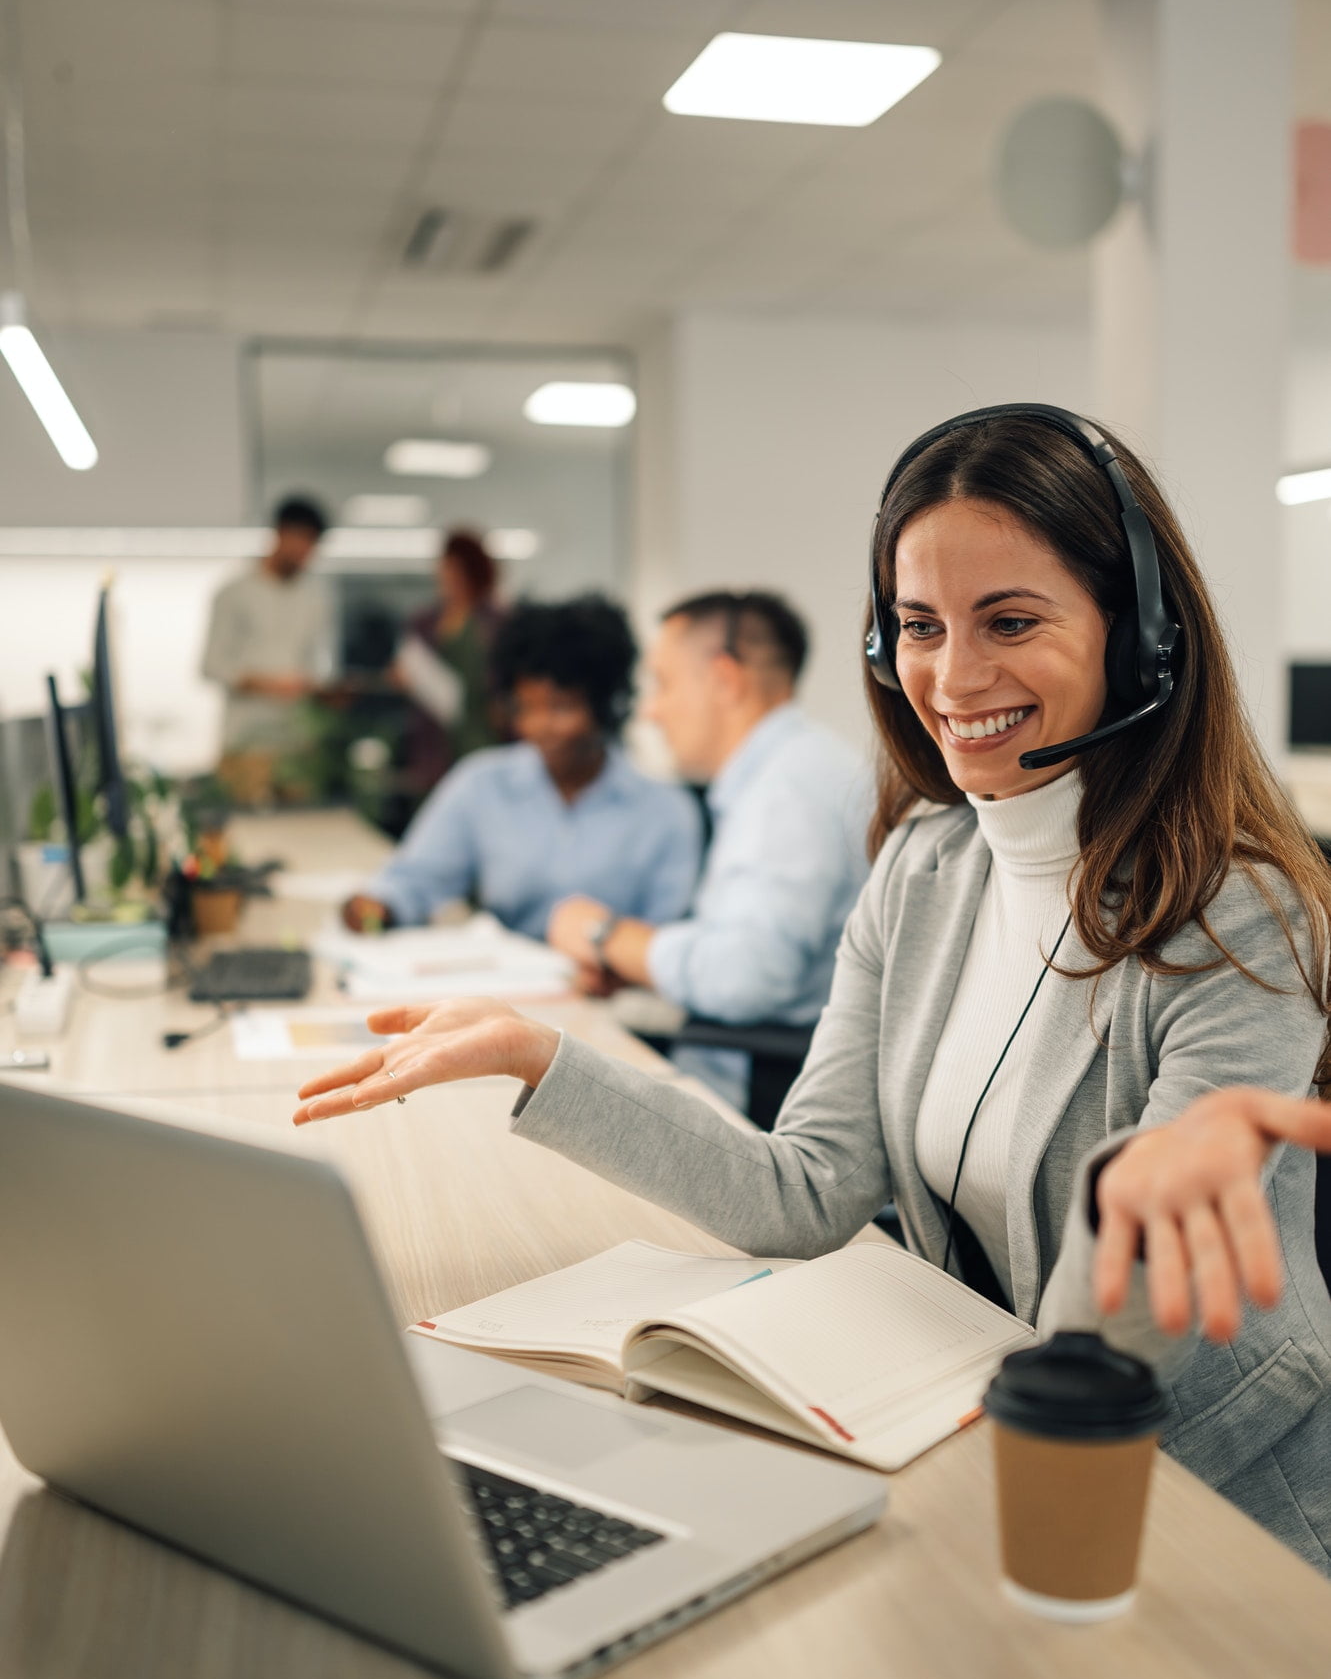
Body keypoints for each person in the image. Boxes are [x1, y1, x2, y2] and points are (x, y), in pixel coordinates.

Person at [296, 407, 1331, 1571]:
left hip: (1201, 1497)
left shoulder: (1234, 911)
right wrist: (542, 1057)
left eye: (1010, 620)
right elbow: (805, 1187)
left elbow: (1140, 1306)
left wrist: (1134, 1192)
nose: (951, 673)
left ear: (1139, 638)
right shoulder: (925, 867)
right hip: (975, 1447)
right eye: (917, 625)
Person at [546, 591, 868, 1110]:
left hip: (754, 1102)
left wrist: (605, 935)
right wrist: (633, 965)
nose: (651, 711)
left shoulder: (786, 794)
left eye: (663, 684)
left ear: (724, 679)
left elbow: (746, 977)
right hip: (748, 1067)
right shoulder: (796, 767)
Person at [340, 595, 701, 940]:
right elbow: (415, 880)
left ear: (605, 706)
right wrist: (376, 909)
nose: (540, 726)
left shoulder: (666, 811)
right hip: (509, 988)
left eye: (560, 707)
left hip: (617, 995)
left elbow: (669, 940)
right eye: (526, 707)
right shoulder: (482, 784)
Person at [201, 494, 335, 803]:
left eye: (313, 545)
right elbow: (211, 665)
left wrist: (320, 690)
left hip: (297, 745)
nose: (307, 553)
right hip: (246, 744)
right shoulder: (234, 593)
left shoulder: (315, 599)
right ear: (280, 533)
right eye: (302, 541)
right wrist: (267, 684)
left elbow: (313, 665)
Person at [396, 528, 503, 802]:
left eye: (455, 567)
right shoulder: (424, 621)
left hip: (480, 734)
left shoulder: (493, 622)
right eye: (444, 566)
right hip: (432, 741)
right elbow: (405, 663)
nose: (446, 574)